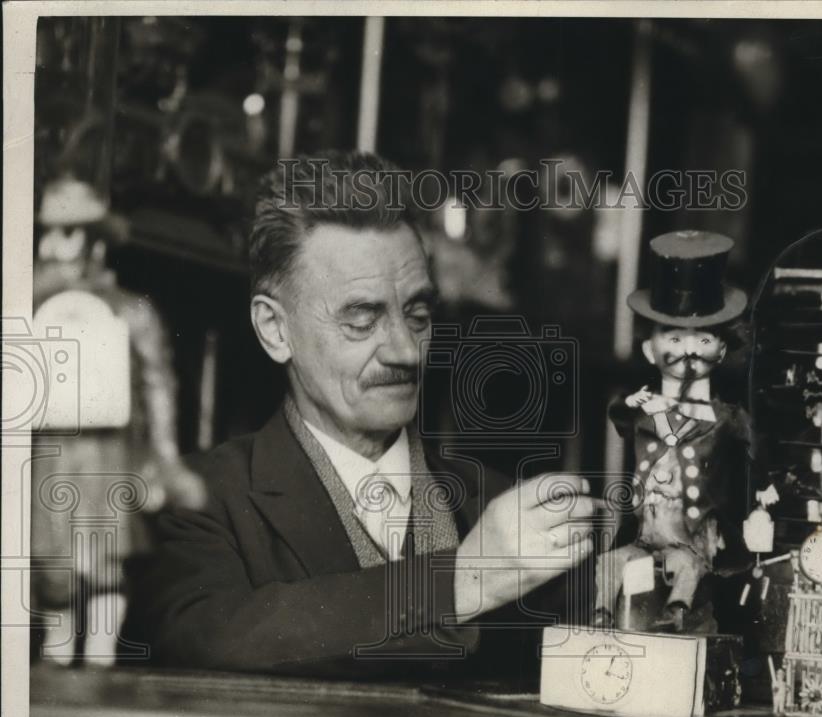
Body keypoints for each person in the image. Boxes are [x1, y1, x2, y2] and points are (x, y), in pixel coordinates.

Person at [124, 150, 593, 676]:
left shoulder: (505, 508)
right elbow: (213, 638)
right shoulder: (196, 503)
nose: (406, 351)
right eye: (362, 320)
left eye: (417, 314)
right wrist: (464, 579)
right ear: (274, 330)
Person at [593, 230, 777, 633]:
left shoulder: (728, 419)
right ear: (649, 350)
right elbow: (619, 412)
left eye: (704, 338)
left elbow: (756, 460)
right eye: (674, 338)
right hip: (646, 534)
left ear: (721, 350)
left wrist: (761, 498)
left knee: (688, 569)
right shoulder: (639, 411)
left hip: (691, 537)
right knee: (613, 564)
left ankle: (677, 613)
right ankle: (601, 615)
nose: (689, 350)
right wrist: (646, 401)